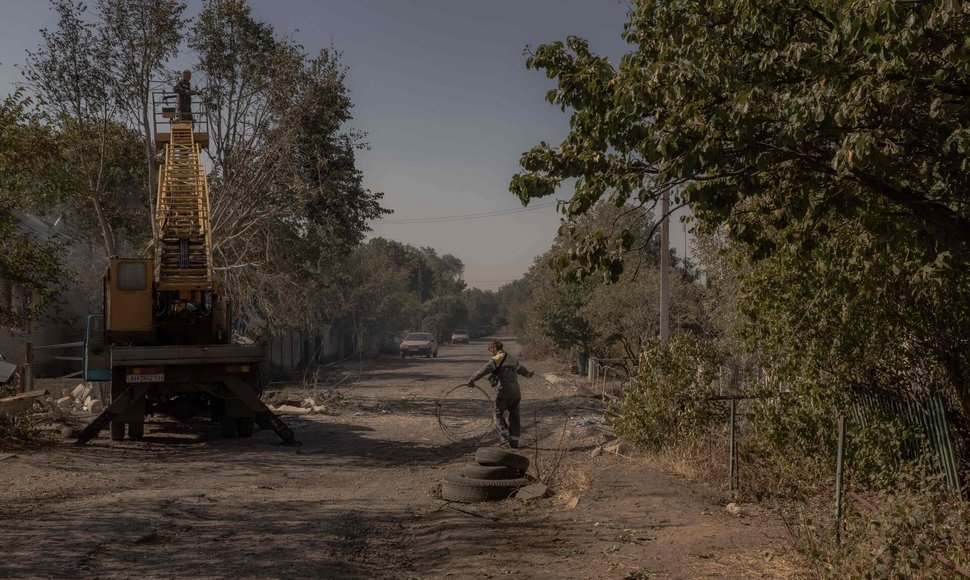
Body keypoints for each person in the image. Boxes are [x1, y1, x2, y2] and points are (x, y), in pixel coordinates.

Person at [468, 339, 534, 448]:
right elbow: (523, 371)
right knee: (514, 417)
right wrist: (529, 374)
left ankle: (504, 437)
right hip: (516, 393)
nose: (491, 352)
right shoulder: (512, 358)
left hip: (504, 392)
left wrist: (472, 379)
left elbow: (483, 370)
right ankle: (514, 443)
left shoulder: (496, 359)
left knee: (497, 412)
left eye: (491, 350)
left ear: (494, 348)